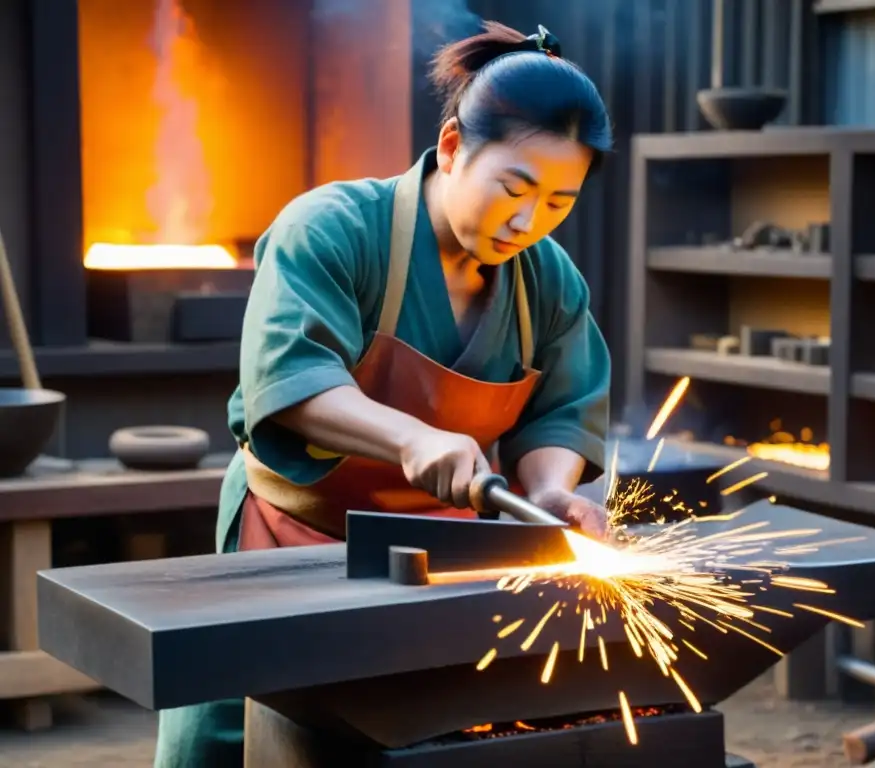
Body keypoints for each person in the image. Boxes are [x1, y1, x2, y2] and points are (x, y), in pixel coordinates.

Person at [153, 20, 615, 768]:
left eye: (559, 202)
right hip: (294, 538)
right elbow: (290, 377)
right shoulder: (333, 229)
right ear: (455, 146)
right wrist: (412, 438)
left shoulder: (549, 281)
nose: (531, 223)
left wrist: (553, 493)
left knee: (414, 739)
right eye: (515, 189)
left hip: (438, 559)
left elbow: (562, 411)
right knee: (229, 738)